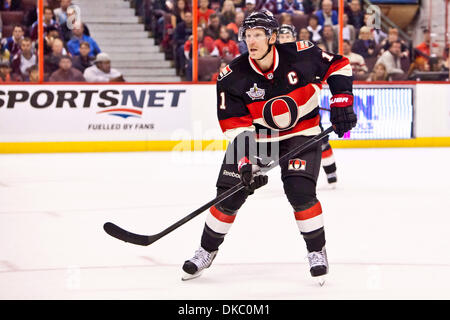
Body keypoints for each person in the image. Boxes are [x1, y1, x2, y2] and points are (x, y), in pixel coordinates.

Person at [181, 10, 356, 282]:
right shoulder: (232, 76)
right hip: (260, 140)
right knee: (228, 196)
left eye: (258, 35)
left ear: (272, 37)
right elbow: (237, 126)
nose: (251, 41)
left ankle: (316, 251)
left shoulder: (301, 53)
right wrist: (245, 163)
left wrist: (342, 100)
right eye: (247, 35)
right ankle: (206, 251)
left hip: (303, 134)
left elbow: (339, 64)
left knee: (300, 192)